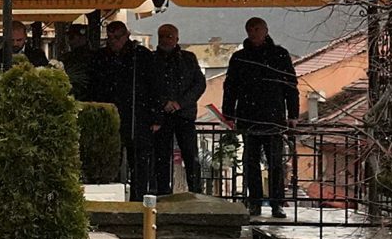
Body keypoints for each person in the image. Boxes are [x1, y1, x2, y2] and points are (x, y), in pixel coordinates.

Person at [222, 15, 301, 218]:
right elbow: (230, 87)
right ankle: (254, 202)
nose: (254, 33)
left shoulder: (279, 55)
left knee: (275, 162)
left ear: (265, 31)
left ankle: (277, 203)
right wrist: (228, 114)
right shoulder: (239, 57)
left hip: (273, 117)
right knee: (251, 162)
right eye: (251, 29)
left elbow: (290, 86)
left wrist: (293, 114)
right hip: (249, 117)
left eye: (257, 29)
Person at [86, 19, 157, 198]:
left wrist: (156, 117)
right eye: (109, 38)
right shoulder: (101, 57)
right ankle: (112, 196)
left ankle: (138, 198)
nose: (113, 41)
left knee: (139, 162)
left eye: (117, 37)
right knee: (109, 160)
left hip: (137, 116)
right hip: (110, 116)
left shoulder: (141, 56)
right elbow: (93, 86)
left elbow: (155, 87)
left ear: (127, 36)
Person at [147, 22, 208, 195]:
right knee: (161, 156)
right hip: (162, 116)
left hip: (184, 114)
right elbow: (148, 86)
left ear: (177, 38)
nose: (166, 40)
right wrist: (163, 102)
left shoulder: (188, 59)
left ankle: (195, 191)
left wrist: (180, 103)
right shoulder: (152, 60)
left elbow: (199, 84)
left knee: (190, 155)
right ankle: (162, 192)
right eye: (162, 36)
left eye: (169, 36)